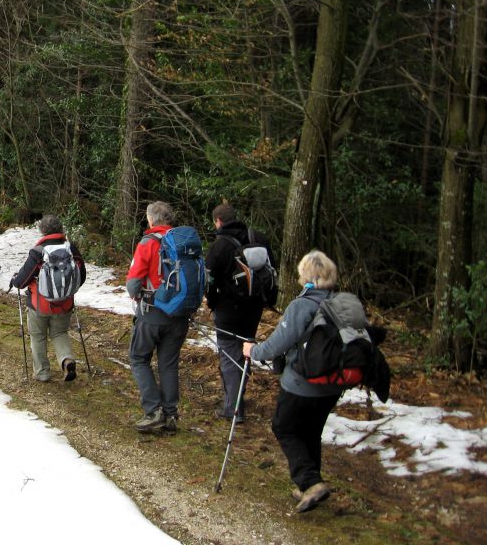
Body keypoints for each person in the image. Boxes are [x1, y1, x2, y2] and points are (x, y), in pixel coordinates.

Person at [243, 250, 343, 514]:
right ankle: (309, 481)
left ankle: (310, 482)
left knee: (284, 427)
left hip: (301, 383)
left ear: (307, 276)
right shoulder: (341, 303)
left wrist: (253, 351)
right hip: (332, 385)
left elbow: (278, 343)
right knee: (310, 431)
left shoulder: (302, 306)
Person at [205, 203, 277, 421]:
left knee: (228, 354)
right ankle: (235, 399)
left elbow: (209, 279)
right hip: (254, 307)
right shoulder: (259, 239)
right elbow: (273, 271)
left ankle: (233, 408)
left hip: (228, 309)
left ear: (218, 221)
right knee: (246, 351)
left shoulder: (220, 246)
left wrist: (212, 302)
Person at [125, 201, 189, 434]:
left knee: (138, 357)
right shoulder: (184, 241)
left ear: (152, 220)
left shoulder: (148, 243)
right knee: (168, 364)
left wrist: (136, 294)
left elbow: (133, 283)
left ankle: (154, 411)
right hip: (180, 314)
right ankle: (171, 415)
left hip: (153, 313)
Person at [9, 215, 86, 382]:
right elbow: (82, 276)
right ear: (61, 229)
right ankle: (67, 361)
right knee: (59, 332)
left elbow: (22, 280)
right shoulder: (71, 249)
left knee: (37, 336)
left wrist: (15, 281)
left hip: (39, 304)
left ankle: (42, 373)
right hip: (65, 303)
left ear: (42, 231)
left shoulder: (38, 252)